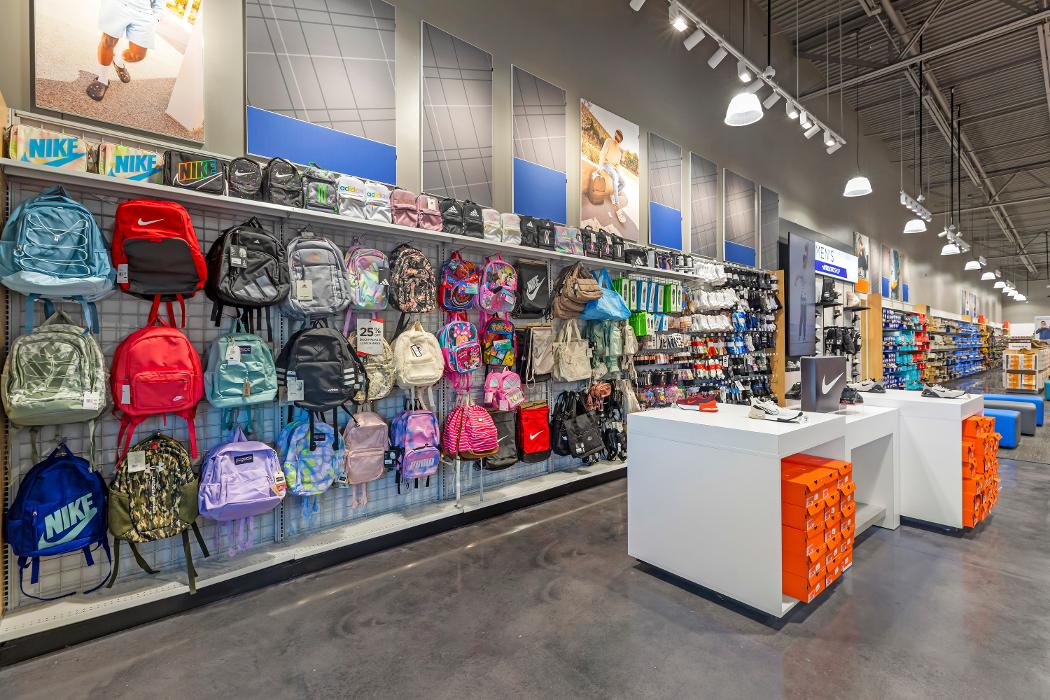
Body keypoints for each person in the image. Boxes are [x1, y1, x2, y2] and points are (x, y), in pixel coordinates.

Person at [87, 0, 165, 102]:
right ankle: (102, 79)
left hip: (144, 12)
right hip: (118, 4)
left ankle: (118, 61)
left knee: (138, 55)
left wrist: (156, 17)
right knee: (108, 42)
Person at [598, 129, 627, 224]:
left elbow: (617, 164)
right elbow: (603, 153)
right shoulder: (609, 141)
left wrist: (618, 172)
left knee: (623, 183)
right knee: (614, 176)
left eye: (618, 137)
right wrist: (600, 166)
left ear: (620, 140)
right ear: (615, 136)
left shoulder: (619, 152)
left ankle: (613, 195)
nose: (616, 138)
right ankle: (617, 206)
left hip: (613, 168)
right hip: (606, 164)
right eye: (616, 136)